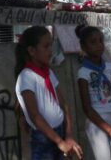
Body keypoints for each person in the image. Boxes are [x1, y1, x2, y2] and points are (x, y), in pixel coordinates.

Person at [15, 26, 83, 160]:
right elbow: (35, 116)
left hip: (60, 132)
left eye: (51, 46)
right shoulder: (26, 76)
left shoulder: (48, 73)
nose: (51, 51)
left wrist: (68, 136)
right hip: (44, 138)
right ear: (32, 51)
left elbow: (64, 105)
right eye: (46, 47)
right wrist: (59, 142)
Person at [75, 24, 111, 160]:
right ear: (83, 47)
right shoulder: (83, 73)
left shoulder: (110, 68)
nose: (99, 45)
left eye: (101, 40)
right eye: (93, 42)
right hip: (96, 125)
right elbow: (87, 109)